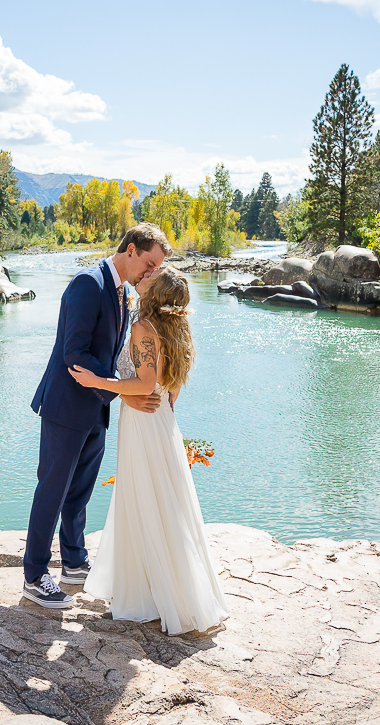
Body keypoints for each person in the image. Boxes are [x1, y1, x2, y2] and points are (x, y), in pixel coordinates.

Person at [69, 267, 228, 635]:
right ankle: (169, 591)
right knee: (165, 502)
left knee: (144, 498)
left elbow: (143, 381)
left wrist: (97, 381)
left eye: (151, 278)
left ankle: (150, 594)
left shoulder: (144, 328)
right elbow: (172, 387)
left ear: (155, 294)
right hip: (162, 423)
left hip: (143, 422)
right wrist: (146, 393)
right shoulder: (176, 329)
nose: (144, 276)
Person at [23, 224, 170, 609]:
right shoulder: (88, 283)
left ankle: (73, 561)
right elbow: (76, 354)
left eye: (157, 269)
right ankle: (35, 574)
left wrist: (120, 394)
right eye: (150, 264)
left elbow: (108, 357)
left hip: (95, 410)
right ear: (132, 249)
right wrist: (121, 394)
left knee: (79, 493)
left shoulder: (122, 292)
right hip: (67, 407)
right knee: (52, 490)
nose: (151, 273)